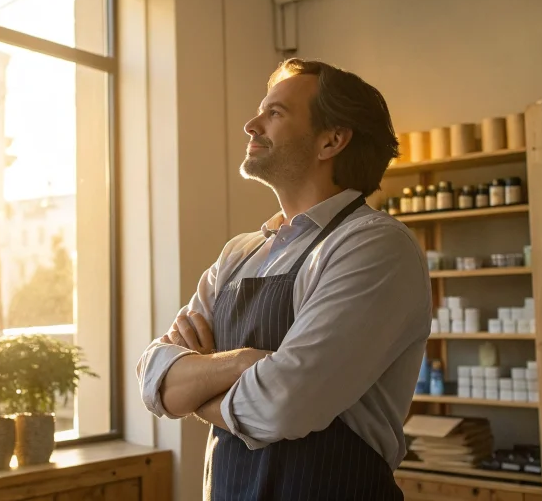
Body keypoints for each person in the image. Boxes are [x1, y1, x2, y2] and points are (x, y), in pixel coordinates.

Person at [136, 58, 431, 500]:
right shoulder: (238, 254)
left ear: (331, 140)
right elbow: (154, 379)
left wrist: (194, 388)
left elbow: (281, 405)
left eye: (275, 113)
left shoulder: (374, 245)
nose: (251, 125)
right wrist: (242, 362)